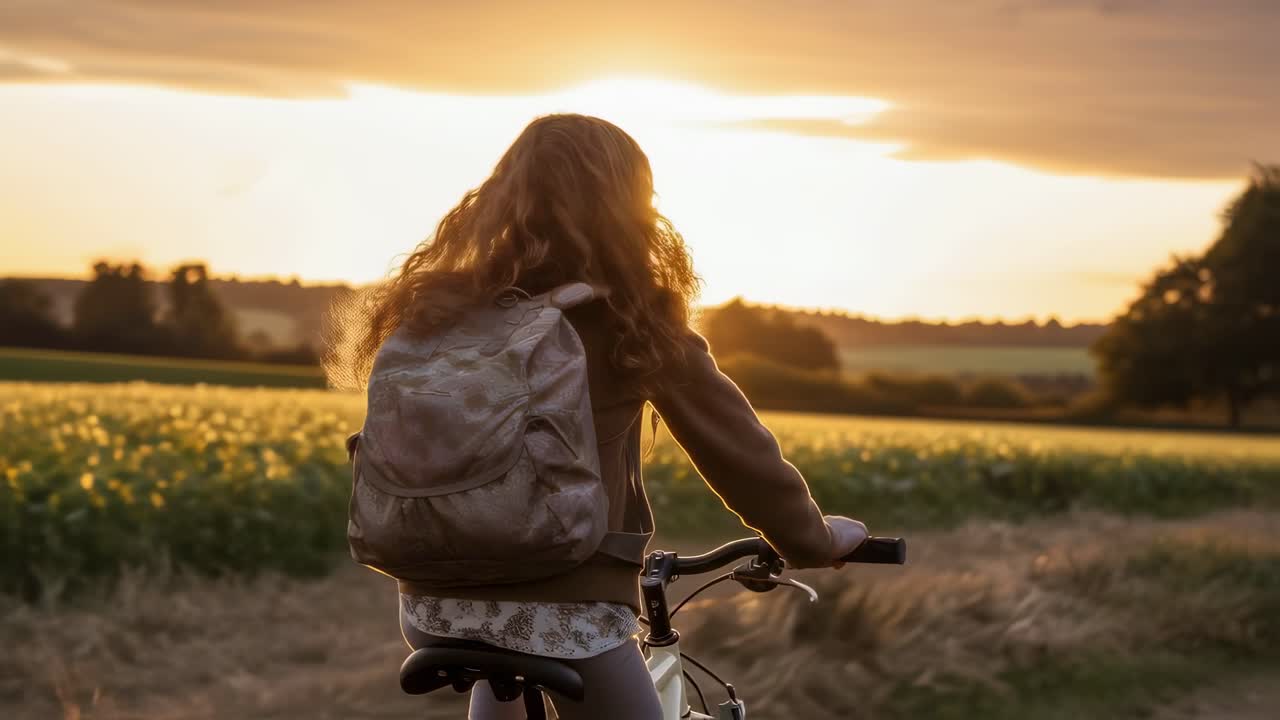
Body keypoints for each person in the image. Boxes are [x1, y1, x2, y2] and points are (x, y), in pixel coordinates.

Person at [329, 113, 869, 719]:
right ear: (631, 210)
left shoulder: (443, 310)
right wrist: (813, 538)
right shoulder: (629, 320)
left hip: (431, 609)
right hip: (568, 610)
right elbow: (738, 452)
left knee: (499, 661)